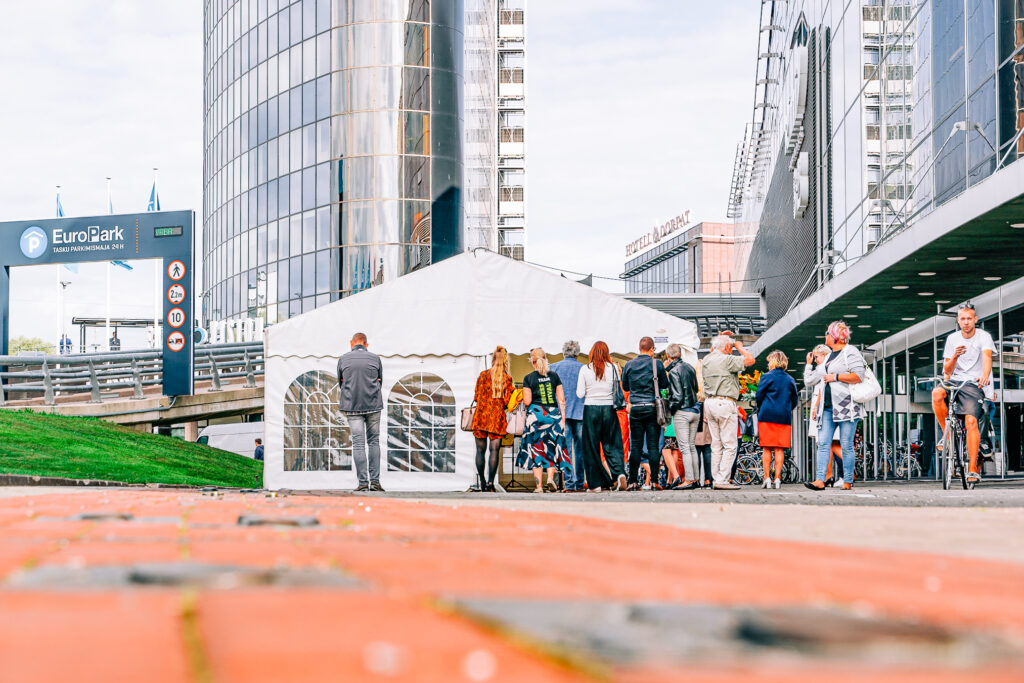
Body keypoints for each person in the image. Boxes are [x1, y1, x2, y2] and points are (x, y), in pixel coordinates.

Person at [931, 302, 993, 484]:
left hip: (973, 383)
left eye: (969, 319)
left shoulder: (984, 337)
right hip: (954, 380)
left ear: (975, 319)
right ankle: (947, 435)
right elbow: (947, 372)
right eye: (962, 319)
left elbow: (987, 357)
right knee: (936, 393)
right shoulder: (952, 339)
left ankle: (973, 468)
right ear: (958, 321)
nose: (966, 322)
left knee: (971, 421)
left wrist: (984, 377)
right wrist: (955, 356)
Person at [804, 321, 865, 491]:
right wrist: (809, 365)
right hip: (827, 408)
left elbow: (858, 376)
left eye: (827, 333)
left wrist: (836, 377)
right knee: (823, 443)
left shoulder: (850, 352)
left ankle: (847, 481)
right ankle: (820, 480)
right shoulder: (828, 357)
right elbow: (810, 380)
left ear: (834, 336)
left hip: (847, 406)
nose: (825, 336)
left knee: (845, 444)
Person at [702, 334, 755, 489]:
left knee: (716, 444)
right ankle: (723, 480)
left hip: (709, 403)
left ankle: (715, 478)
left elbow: (714, 347)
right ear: (726, 347)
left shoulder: (707, 359)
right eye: (730, 348)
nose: (731, 351)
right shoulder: (727, 360)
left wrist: (721, 336)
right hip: (725, 403)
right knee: (730, 445)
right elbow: (750, 360)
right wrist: (740, 347)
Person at [517, 348, 570, 492]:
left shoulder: (528, 378)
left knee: (536, 450)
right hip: (553, 415)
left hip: (536, 416)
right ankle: (550, 478)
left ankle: (539, 486)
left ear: (532, 362)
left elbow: (527, 401)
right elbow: (562, 399)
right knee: (551, 447)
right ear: (545, 359)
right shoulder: (554, 376)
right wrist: (563, 419)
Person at [337, 332, 384, 492]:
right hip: (373, 404)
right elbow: (380, 381)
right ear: (366, 344)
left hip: (352, 405)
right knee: (374, 442)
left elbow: (340, 382)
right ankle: (375, 483)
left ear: (352, 343)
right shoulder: (375, 358)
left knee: (358, 443)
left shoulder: (343, 359)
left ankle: (363, 483)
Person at [576, 341, 626, 492]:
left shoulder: (585, 369)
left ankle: (595, 484)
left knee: (591, 447)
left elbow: (580, 393)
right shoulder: (613, 369)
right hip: (609, 409)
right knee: (613, 444)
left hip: (590, 409)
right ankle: (619, 473)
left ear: (591, 352)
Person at [621, 337, 669, 491]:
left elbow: (626, 386)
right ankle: (654, 481)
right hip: (651, 407)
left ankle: (633, 481)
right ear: (652, 349)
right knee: (653, 447)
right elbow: (664, 384)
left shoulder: (629, 364)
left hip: (635, 408)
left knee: (635, 446)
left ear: (639, 348)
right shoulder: (657, 364)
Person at [471, 346, 514, 492]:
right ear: (506, 359)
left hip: (481, 416)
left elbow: (476, 397)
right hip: (496, 418)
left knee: (480, 450)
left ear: (493, 359)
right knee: (494, 451)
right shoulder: (507, 379)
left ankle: (482, 482)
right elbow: (508, 402)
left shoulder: (483, 376)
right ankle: (490, 484)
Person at [756, 350, 799, 489]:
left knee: (767, 448)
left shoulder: (766, 377)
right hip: (783, 417)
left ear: (773, 361)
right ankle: (778, 479)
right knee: (779, 449)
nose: (768, 364)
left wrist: (762, 407)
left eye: (769, 361)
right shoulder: (790, 379)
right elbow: (794, 400)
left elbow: (759, 396)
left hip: (767, 415)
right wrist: (785, 408)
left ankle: (767, 478)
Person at [805, 344, 843, 486]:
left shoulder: (824, 368)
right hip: (829, 409)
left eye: (816, 357)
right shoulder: (832, 366)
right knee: (827, 444)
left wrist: (808, 365)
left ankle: (845, 474)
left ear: (823, 355)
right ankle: (828, 476)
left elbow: (809, 381)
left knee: (828, 444)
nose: (815, 360)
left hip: (826, 410)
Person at [551, 341, 586, 491]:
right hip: (581, 412)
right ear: (578, 353)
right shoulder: (584, 368)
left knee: (566, 450)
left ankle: (569, 483)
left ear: (563, 352)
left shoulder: (553, 368)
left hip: (561, 413)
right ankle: (579, 483)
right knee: (580, 450)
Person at [666, 343, 701, 490]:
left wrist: (670, 409)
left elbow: (678, 396)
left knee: (684, 447)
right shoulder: (690, 367)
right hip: (695, 410)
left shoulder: (674, 371)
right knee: (691, 446)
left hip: (682, 411)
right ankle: (696, 479)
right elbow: (696, 388)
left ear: (668, 356)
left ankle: (689, 480)